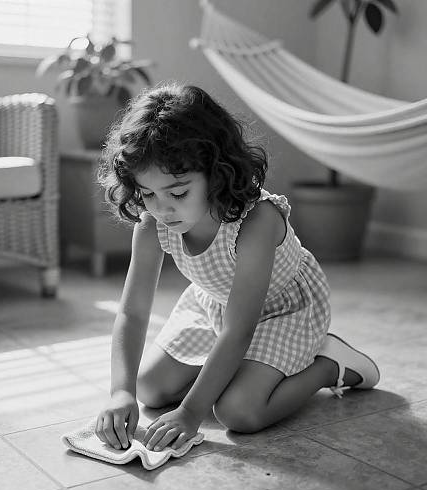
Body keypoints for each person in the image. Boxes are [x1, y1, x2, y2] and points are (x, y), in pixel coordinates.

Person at [94, 83, 379, 452]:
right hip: (215, 304)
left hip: (283, 310)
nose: (162, 209)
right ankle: (243, 371)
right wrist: (120, 392)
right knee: (149, 388)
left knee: (238, 412)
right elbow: (132, 313)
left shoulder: (257, 221)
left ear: (215, 173)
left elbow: (239, 328)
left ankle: (329, 363)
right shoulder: (152, 223)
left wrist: (191, 412)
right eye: (148, 193)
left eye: (178, 193)